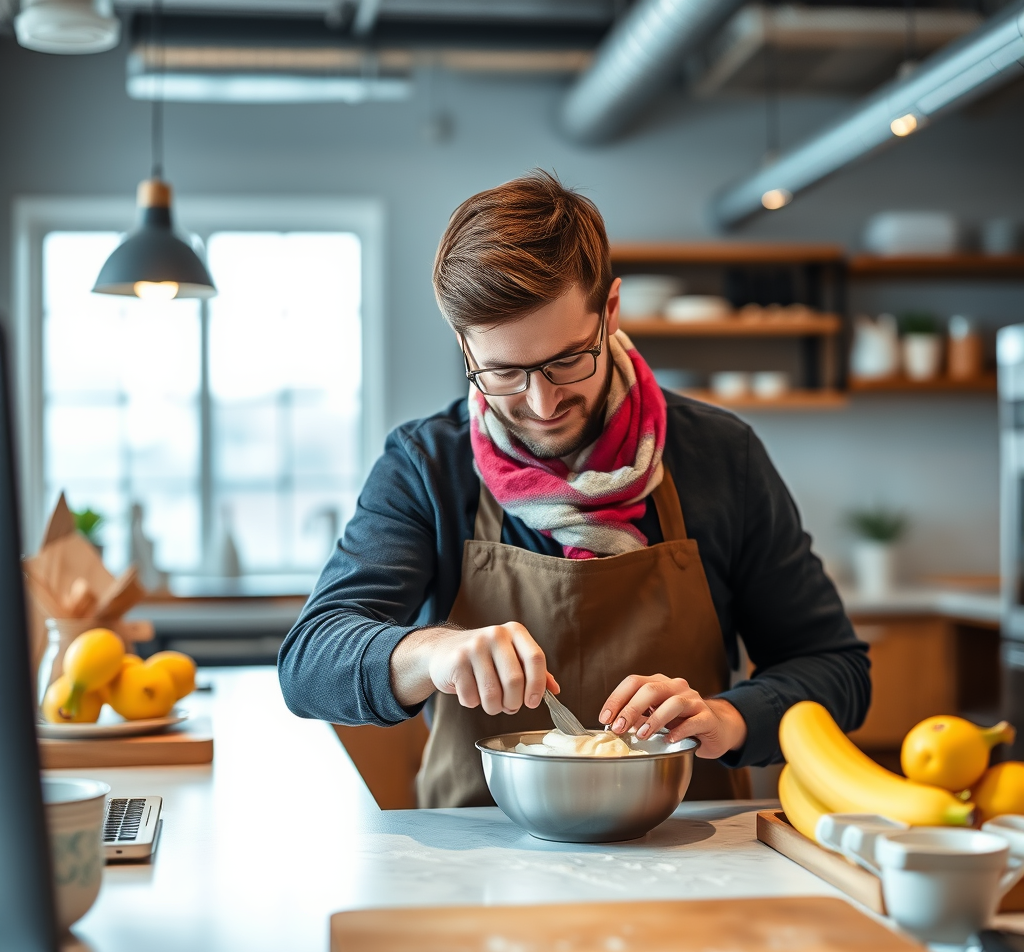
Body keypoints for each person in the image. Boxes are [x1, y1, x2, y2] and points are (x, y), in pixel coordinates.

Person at [279, 171, 870, 807]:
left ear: (609, 311)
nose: (541, 402)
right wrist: (431, 653)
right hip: (479, 865)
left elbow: (837, 670)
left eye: (567, 360)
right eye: (503, 372)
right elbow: (308, 663)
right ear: (464, 345)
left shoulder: (721, 456)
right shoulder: (428, 464)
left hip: (690, 856)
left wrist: (731, 718)